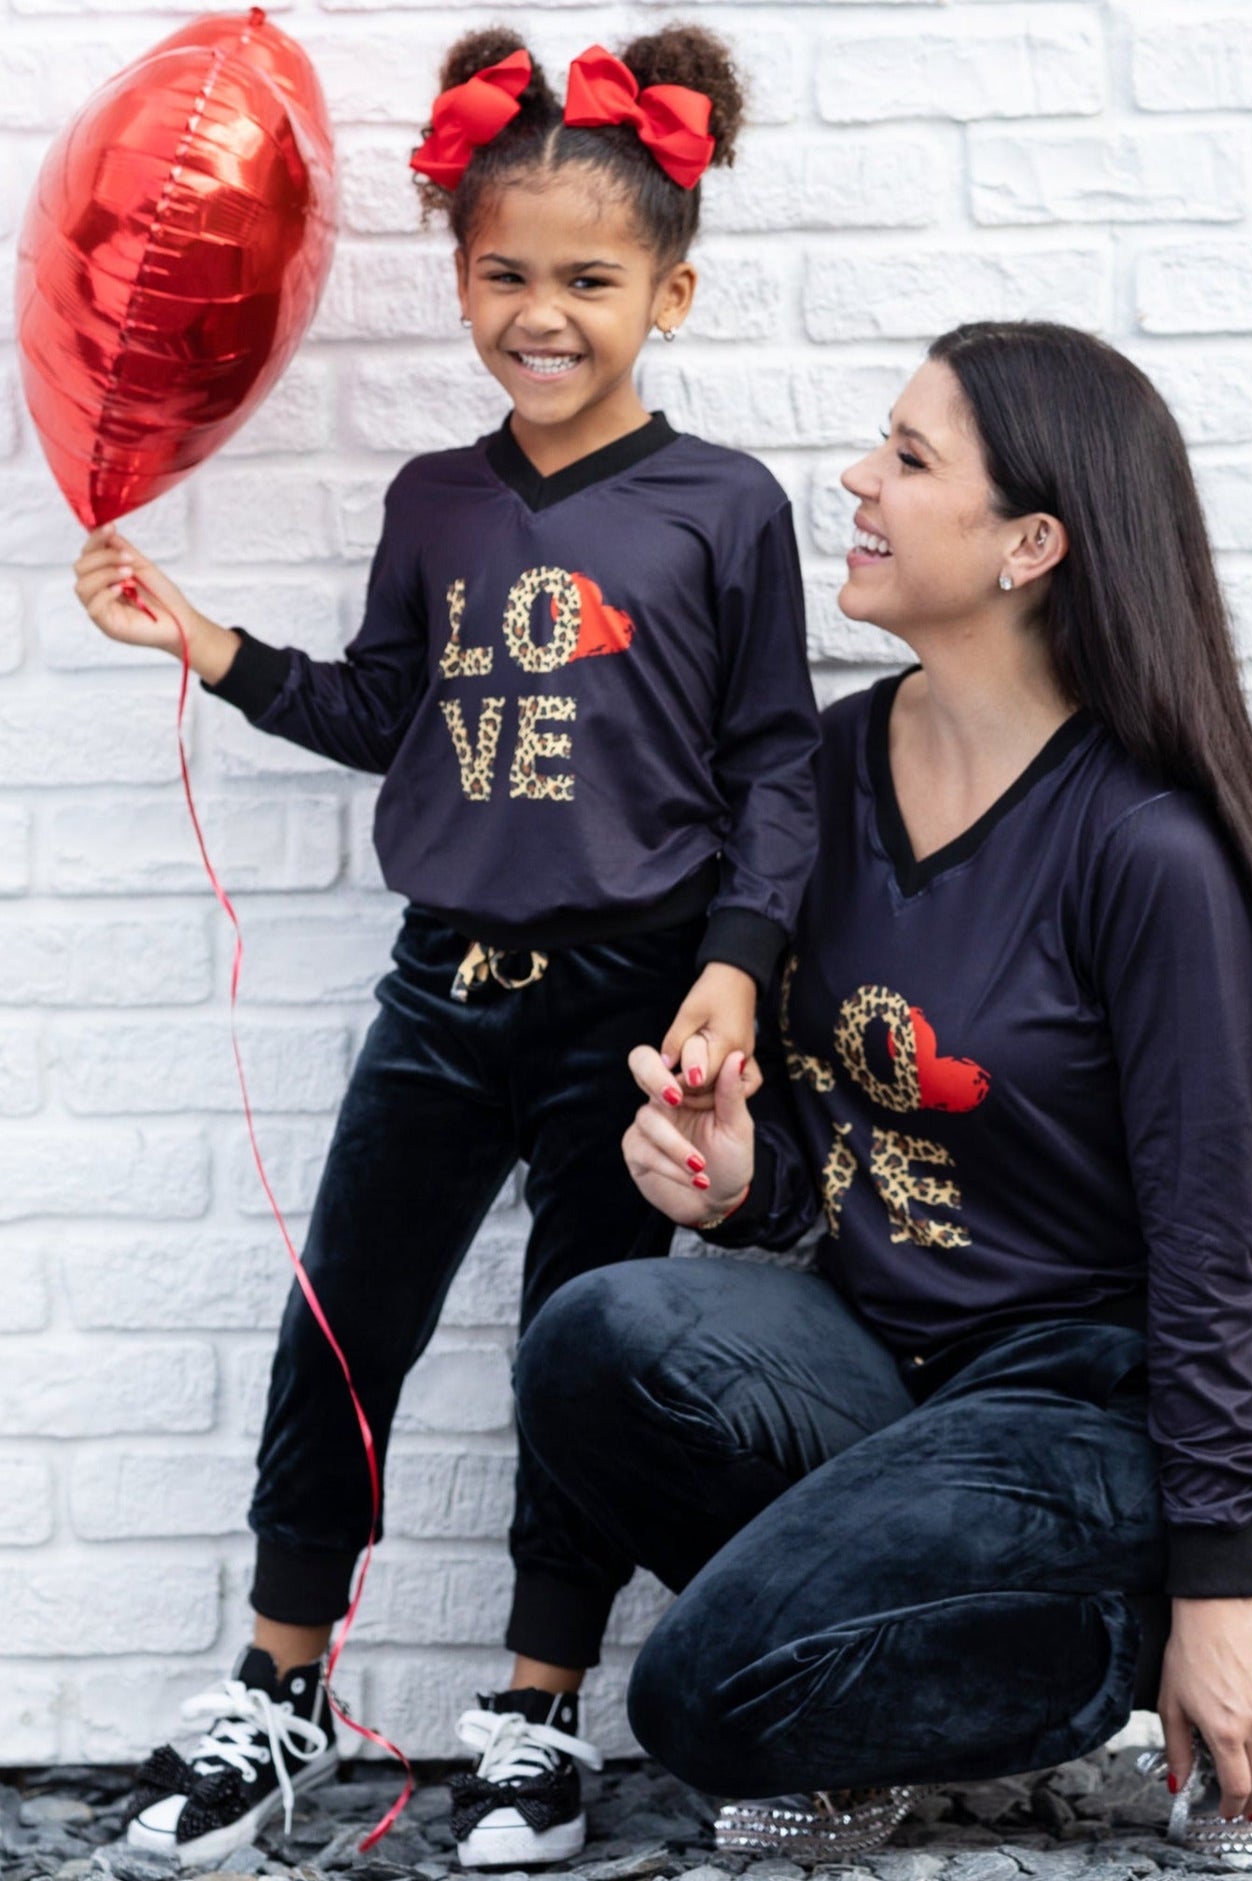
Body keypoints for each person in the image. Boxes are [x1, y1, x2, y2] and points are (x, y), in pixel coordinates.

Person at [71, 24, 818, 1871]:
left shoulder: (727, 508)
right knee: (345, 1322)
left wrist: (735, 962)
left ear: (672, 288)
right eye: (503, 272)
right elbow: (384, 703)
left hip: (633, 1010)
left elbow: (775, 764)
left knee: (577, 1344)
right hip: (444, 986)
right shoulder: (434, 500)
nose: (541, 311)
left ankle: (538, 1703)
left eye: (589, 278)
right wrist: (210, 644)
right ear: (456, 272)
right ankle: (278, 1680)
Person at [513, 322, 1252, 1866]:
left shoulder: (1144, 850)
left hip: (1074, 1407)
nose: (857, 478)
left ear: (1031, 543)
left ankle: (1183, 1620)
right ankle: (879, 1687)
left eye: (908, 458)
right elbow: (849, 1151)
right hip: (881, 1368)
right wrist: (736, 1177)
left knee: (696, 1700)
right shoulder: (826, 777)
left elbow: (1204, 1251)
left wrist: (1215, 1582)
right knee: (591, 1337)